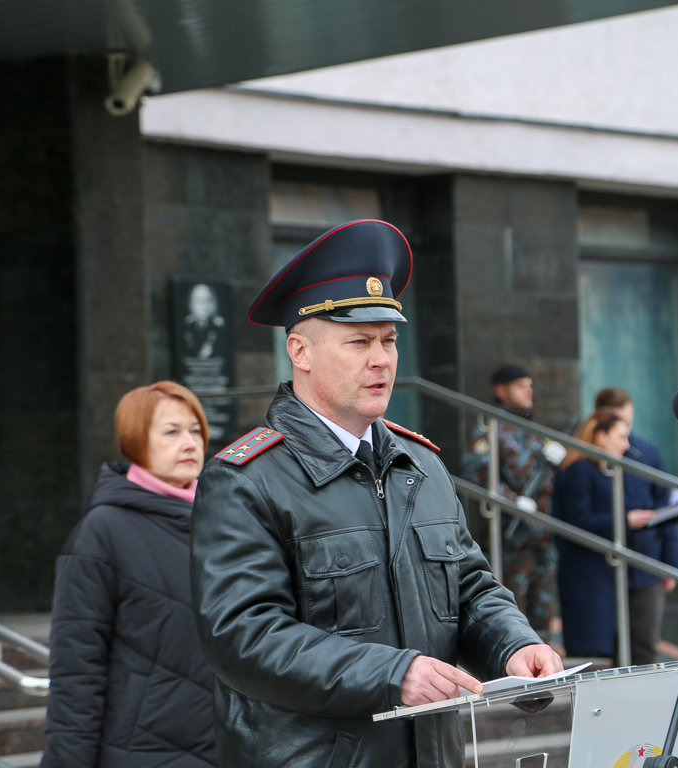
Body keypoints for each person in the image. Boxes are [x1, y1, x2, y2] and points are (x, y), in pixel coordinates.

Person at [190, 219, 562, 768]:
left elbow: (470, 587)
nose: (381, 359)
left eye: (388, 340)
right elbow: (243, 635)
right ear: (301, 350)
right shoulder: (246, 477)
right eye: (359, 341)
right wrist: (392, 674)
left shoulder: (422, 465)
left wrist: (514, 643)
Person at [42, 382, 217, 768]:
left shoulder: (226, 519)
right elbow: (77, 668)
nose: (190, 443)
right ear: (136, 442)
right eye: (171, 432)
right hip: (142, 753)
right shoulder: (103, 530)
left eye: (195, 430)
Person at [461, 364, 564, 642]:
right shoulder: (490, 428)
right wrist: (512, 502)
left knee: (543, 603)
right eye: (521, 385)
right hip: (511, 536)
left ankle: (544, 653)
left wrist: (557, 462)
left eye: (529, 384)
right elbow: (477, 473)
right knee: (512, 603)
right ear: (501, 391)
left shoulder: (532, 428)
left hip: (541, 533)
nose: (529, 390)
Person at [594, 386, 678, 667]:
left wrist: (670, 564)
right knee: (606, 652)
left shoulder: (646, 450)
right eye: (619, 424)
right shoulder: (584, 457)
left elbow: (666, 508)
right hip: (602, 568)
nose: (626, 434)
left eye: (629, 424)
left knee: (645, 646)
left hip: (646, 564)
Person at [550, 409, 637, 660]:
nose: (627, 444)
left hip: (599, 572)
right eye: (621, 437)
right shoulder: (579, 470)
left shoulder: (602, 471)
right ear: (600, 436)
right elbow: (579, 521)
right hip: (585, 575)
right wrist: (626, 520)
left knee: (604, 650)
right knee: (590, 654)